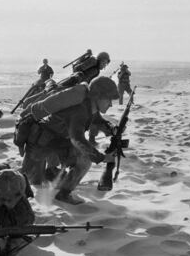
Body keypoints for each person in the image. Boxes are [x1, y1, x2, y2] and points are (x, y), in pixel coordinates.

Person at [21, 76, 120, 205]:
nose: (110, 104)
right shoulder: (80, 110)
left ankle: (63, 194)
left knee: (83, 161)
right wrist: (102, 158)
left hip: (59, 142)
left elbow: (96, 119)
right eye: (108, 100)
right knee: (29, 180)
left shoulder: (88, 105)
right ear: (98, 96)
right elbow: (78, 140)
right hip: (41, 144)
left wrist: (111, 128)